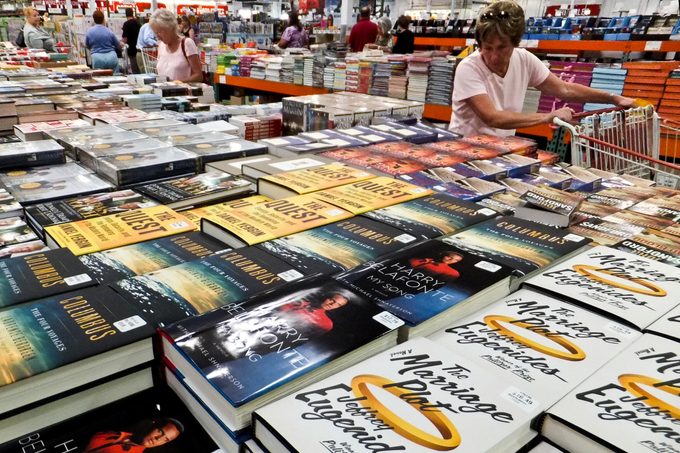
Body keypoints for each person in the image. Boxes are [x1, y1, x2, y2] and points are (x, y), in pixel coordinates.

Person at [449, 1, 635, 137]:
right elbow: (492, 117)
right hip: (464, 150)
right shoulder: (469, 68)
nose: (494, 56)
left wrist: (613, 98)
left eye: (502, 47)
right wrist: (547, 117)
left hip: (502, 150)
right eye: (487, 47)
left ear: (515, 43)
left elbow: (564, 89)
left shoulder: (524, 60)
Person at [149, 9, 202, 83]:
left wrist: (178, 82)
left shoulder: (187, 44)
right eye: (156, 33)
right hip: (163, 92)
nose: (158, 37)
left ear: (170, 28)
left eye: (160, 32)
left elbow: (198, 76)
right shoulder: (161, 46)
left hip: (182, 92)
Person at [84, 418, 183, 453]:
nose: (158, 439)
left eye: (165, 439)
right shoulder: (111, 433)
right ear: (153, 425)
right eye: (160, 432)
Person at [122, 8, 141, 74]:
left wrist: (123, 43)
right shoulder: (138, 22)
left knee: (135, 70)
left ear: (126, 14)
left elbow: (125, 39)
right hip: (139, 49)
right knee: (140, 68)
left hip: (131, 50)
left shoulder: (126, 24)